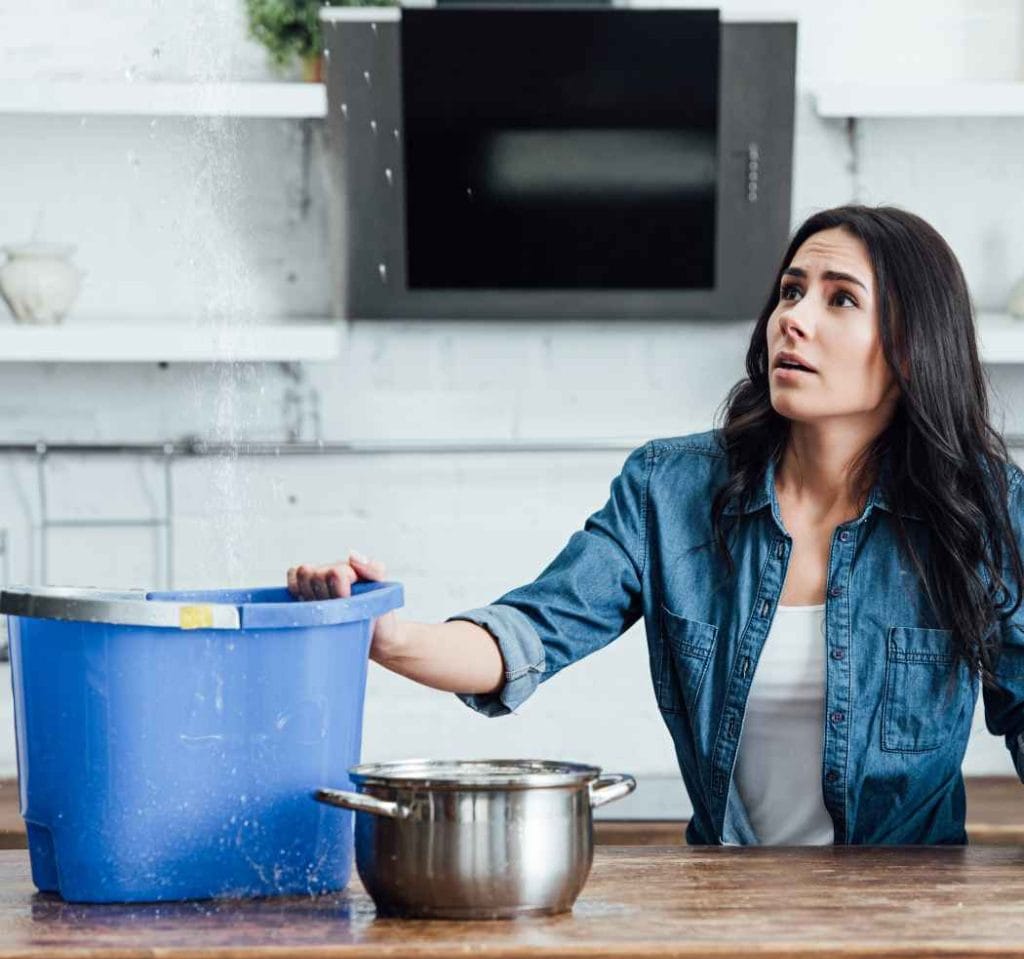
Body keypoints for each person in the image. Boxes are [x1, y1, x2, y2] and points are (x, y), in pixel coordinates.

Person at [287, 204, 1024, 847]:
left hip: (913, 916)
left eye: (839, 300)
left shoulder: (985, 507)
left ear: (910, 346)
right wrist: (382, 634)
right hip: (725, 906)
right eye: (792, 291)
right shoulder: (670, 491)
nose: (792, 318)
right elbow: (528, 636)